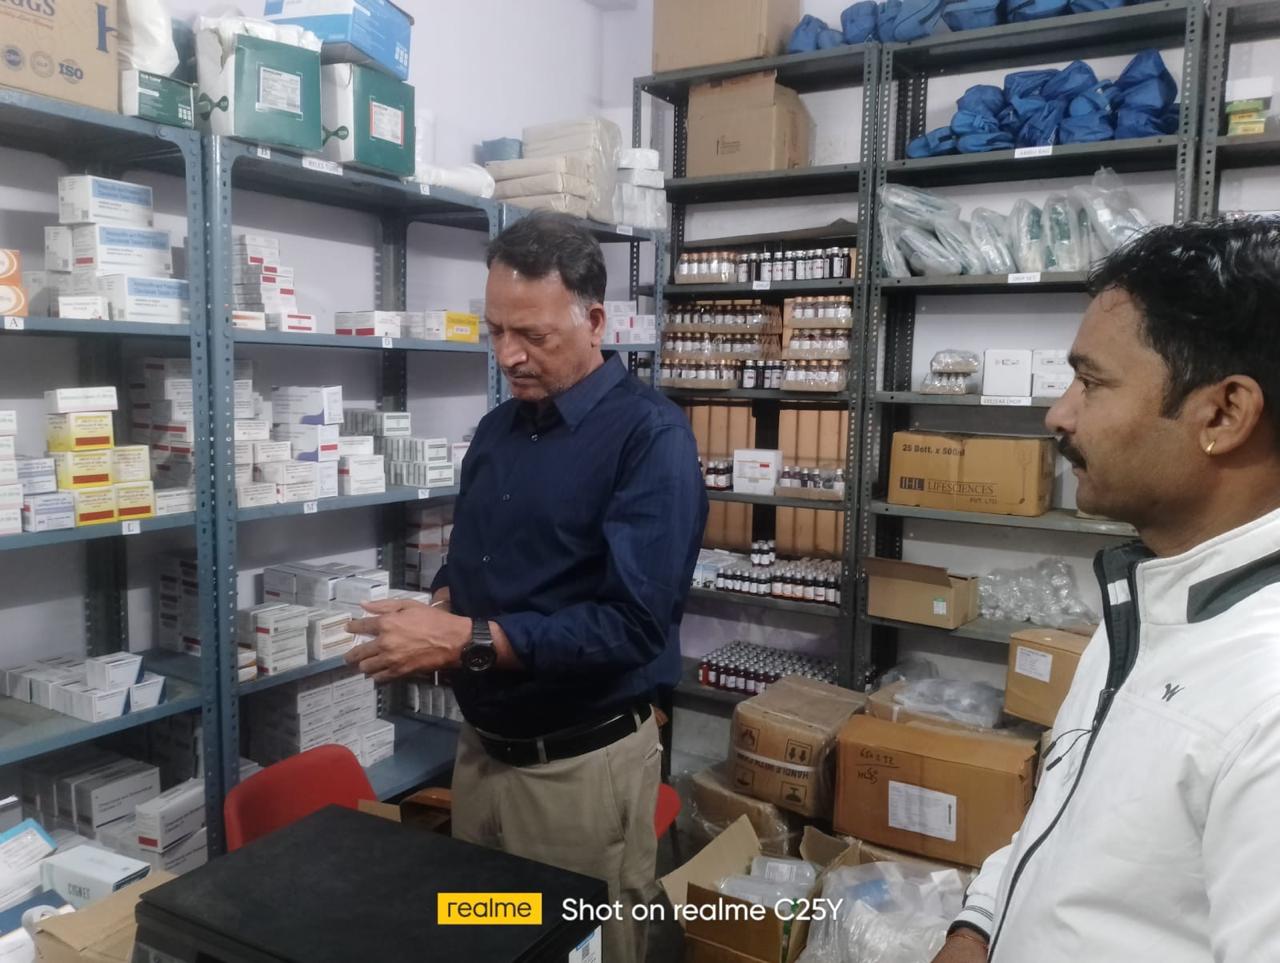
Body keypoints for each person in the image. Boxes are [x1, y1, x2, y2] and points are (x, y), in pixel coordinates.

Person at [345, 212, 707, 963]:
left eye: (533, 335)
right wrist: (437, 609)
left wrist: (464, 641)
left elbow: (634, 625)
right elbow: (472, 565)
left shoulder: (651, 438)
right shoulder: (497, 431)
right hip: (481, 754)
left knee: (579, 948)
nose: (508, 354)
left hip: (578, 770)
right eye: (496, 331)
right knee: (486, 938)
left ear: (594, 321)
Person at [932, 216, 1280, 963]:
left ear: (1224, 413)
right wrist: (980, 925)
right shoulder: (1150, 600)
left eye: (1090, 382)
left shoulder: (1266, 695)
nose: (1059, 414)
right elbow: (1070, 818)